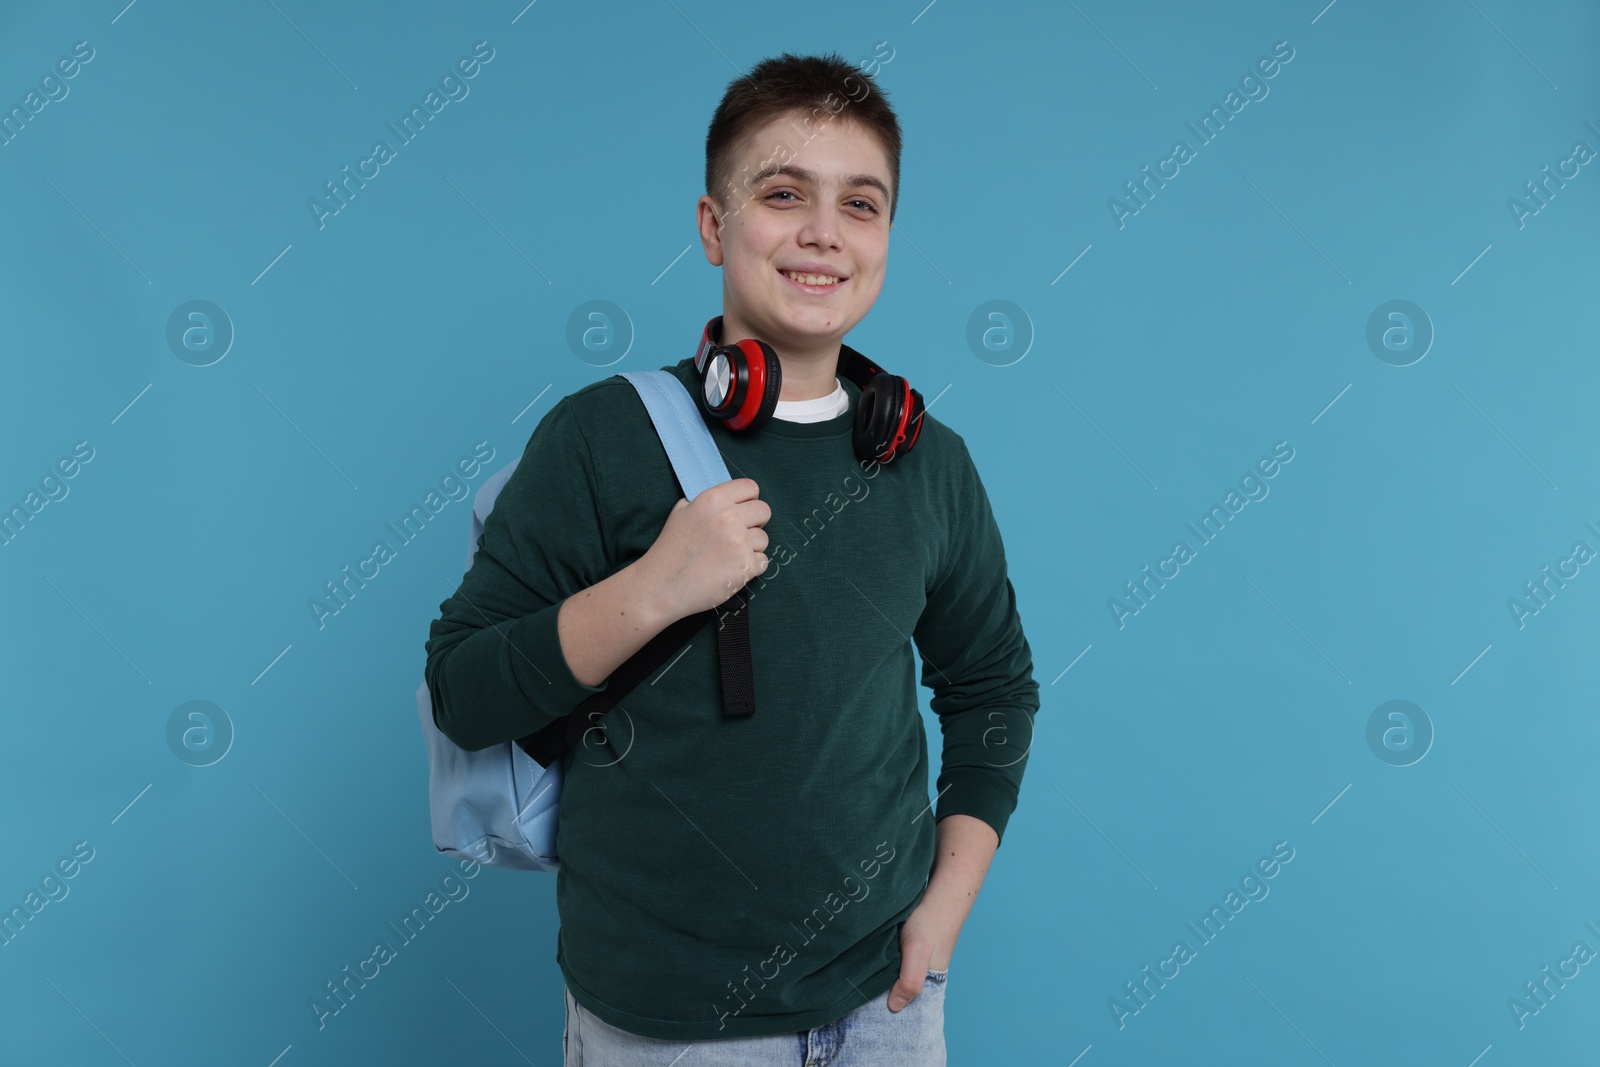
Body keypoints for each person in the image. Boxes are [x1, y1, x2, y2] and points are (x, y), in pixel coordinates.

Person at [424, 50, 1039, 1066]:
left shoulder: (928, 462)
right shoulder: (601, 436)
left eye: (860, 203)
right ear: (714, 225)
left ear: (885, 238)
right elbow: (463, 689)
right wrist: (655, 587)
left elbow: (994, 689)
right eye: (783, 193)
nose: (821, 233)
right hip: (667, 1026)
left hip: (886, 1003)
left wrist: (943, 912)